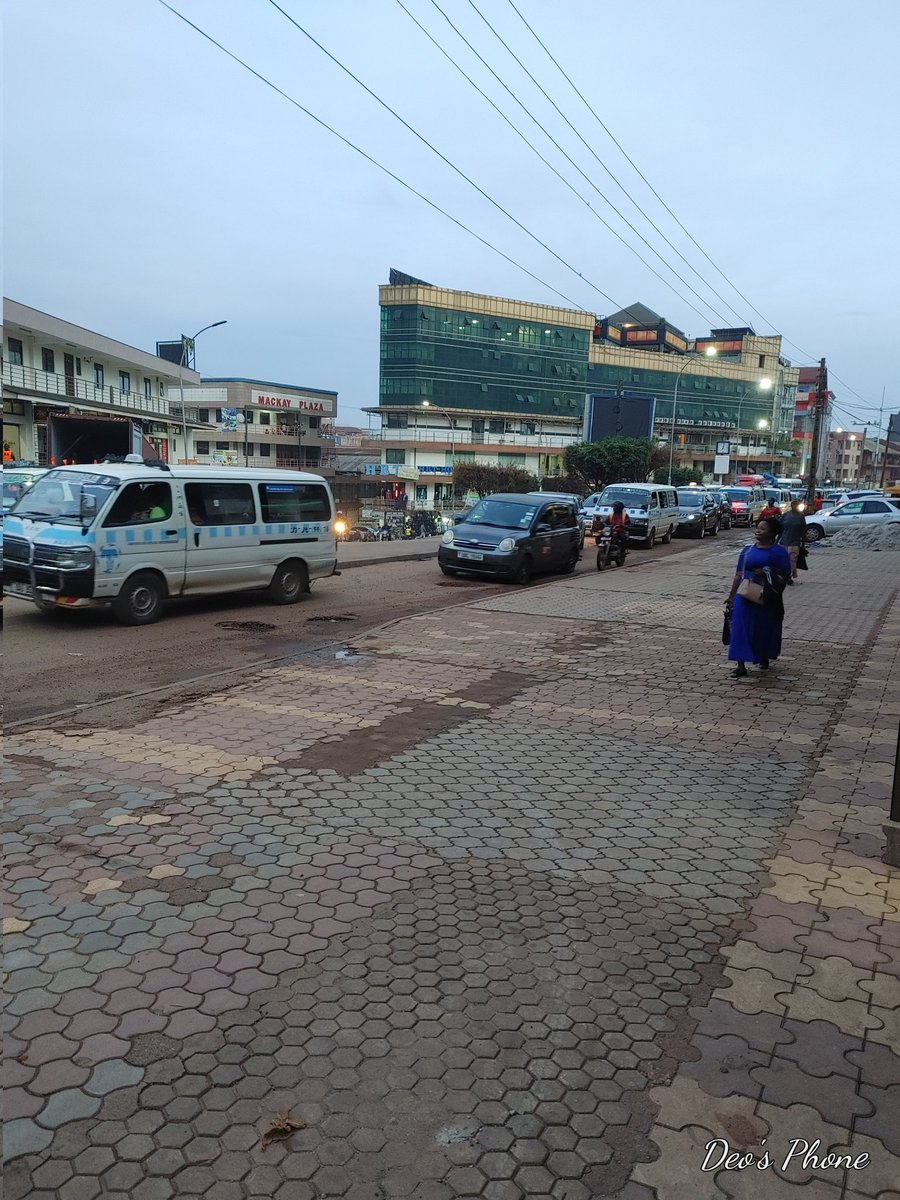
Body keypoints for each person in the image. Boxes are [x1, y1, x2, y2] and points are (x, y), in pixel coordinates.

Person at [724, 518, 791, 679]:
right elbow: (738, 574)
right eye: (757, 528)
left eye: (763, 529)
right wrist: (731, 596)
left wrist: (767, 571)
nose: (758, 531)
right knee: (740, 628)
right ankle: (740, 665)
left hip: (765, 596)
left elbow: (785, 575)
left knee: (764, 627)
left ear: (772, 533)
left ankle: (764, 655)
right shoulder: (747, 550)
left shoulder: (778, 552)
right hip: (744, 594)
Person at [779, 500, 807, 583]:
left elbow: (803, 530)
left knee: (792, 560)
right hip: (784, 541)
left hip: (795, 542)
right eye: (795, 505)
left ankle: (789, 577)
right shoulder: (785, 515)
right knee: (784, 560)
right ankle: (784, 575)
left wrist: (803, 543)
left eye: (797, 505)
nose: (796, 507)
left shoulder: (801, 517)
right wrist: (776, 541)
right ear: (791, 506)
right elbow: (781, 529)